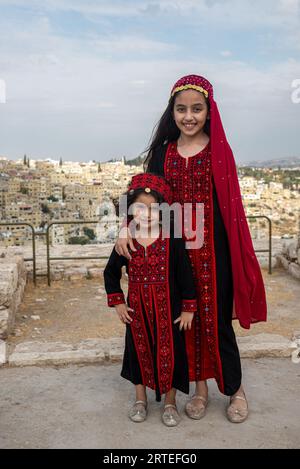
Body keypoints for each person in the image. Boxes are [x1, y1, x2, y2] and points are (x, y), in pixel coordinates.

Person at [115, 74, 267, 423]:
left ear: (208, 111)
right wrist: (125, 226)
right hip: (173, 255)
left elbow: (230, 206)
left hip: (215, 253)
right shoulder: (162, 153)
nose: (189, 116)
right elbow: (143, 196)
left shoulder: (218, 150)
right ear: (173, 112)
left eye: (197, 109)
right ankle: (199, 391)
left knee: (217, 324)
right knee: (185, 323)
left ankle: (235, 391)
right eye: (181, 109)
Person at [104, 173, 198, 426]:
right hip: (137, 313)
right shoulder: (127, 242)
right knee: (138, 353)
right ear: (129, 210)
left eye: (154, 208)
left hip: (170, 311)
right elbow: (110, 273)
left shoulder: (172, 240)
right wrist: (119, 303)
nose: (147, 214)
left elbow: (185, 275)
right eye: (140, 208)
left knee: (172, 354)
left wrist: (189, 308)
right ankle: (140, 400)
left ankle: (170, 403)